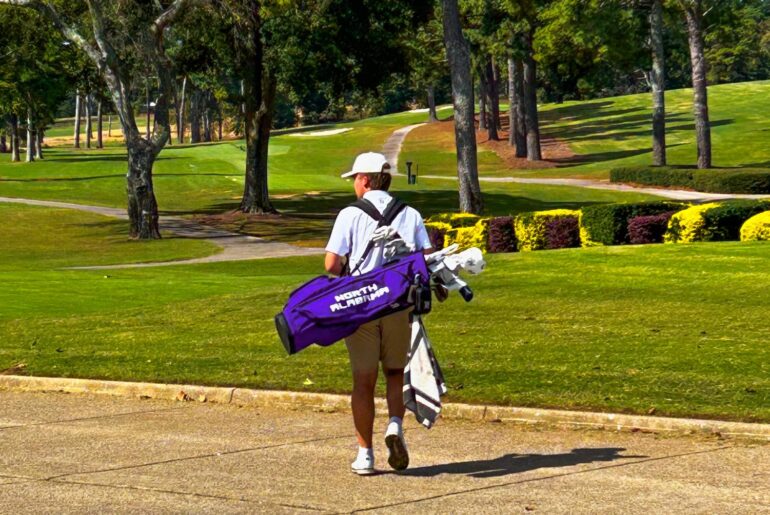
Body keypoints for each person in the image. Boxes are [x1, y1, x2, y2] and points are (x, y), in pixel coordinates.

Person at [325, 151, 433, 475]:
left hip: (362, 307)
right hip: (398, 305)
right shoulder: (410, 214)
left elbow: (331, 264)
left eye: (355, 180)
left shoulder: (349, 214)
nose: (354, 186)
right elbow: (425, 258)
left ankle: (365, 454)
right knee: (395, 374)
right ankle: (395, 426)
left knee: (363, 382)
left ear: (366, 180)